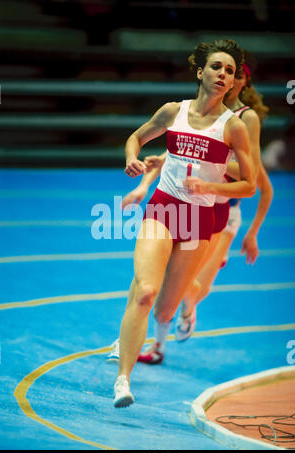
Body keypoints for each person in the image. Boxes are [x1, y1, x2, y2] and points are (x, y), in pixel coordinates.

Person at [113, 39, 256, 408]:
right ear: (200, 72)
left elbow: (251, 184)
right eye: (216, 67)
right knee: (146, 290)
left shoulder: (233, 126)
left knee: (163, 309)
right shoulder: (173, 111)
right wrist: (133, 158)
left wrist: (210, 184)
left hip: (200, 218)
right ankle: (123, 380)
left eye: (229, 71)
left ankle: (162, 321)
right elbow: (137, 137)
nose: (223, 74)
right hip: (164, 208)